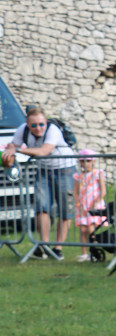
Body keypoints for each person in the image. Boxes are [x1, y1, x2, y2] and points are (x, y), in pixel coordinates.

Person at [1, 106, 76, 259]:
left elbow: (43, 151)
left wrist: (18, 151)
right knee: (42, 208)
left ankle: (58, 248)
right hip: (43, 170)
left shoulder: (53, 130)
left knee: (65, 209)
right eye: (34, 125)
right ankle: (44, 246)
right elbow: (12, 144)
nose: (38, 128)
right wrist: (10, 149)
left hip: (64, 169)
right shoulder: (23, 130)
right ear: (28, 124)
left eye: (41, 124)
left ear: (46, 122)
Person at [72, 148, 106, 262]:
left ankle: (94, 251)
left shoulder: (98, 174)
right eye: (82, 161)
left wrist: (96, 202)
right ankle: (84, 253)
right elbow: (75, 192)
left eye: (88, 161)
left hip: (94, 205)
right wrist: (78, 204)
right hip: (83, 205)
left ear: (93, 161)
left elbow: (103, 190)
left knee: (91, 229)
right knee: (83, 230)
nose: (85, 164)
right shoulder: (78, 176)